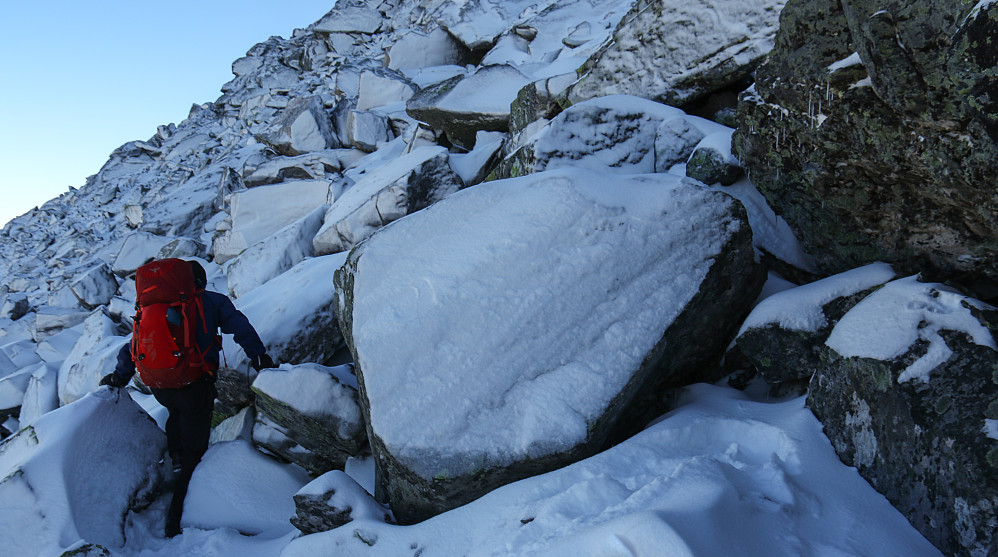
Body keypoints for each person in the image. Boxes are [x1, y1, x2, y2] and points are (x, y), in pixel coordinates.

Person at [100, 259, 275, 538]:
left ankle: (176, 457)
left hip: (159, 384)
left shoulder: (153, 308)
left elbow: (134, 343)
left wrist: (120, 377)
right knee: (196, 445)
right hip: (194, 384)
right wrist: (258, 355)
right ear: (198, 282)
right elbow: (239, 325)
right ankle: (176, 517)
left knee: (176, 414)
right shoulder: (210, 302)